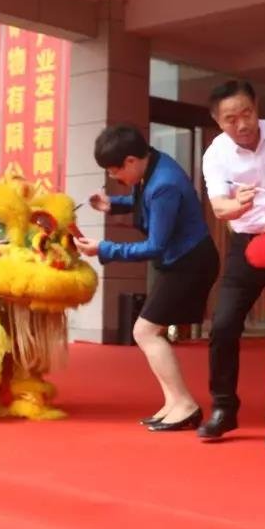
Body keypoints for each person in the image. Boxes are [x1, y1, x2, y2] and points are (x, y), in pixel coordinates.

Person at [74, 124, 219, 431]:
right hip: (181, 260)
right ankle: (173, 402)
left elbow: (155, 245)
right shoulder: (152, 163)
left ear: (130, 161)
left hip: (190, 263)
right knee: (148, 331)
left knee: (145, 331)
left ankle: (185, 404)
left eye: (114, 171)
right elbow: (145, 199)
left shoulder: (163, 183)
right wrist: (113, 204)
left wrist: (103, 248)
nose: (114, 178)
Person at [198, 80, 265, 449]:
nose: (242, 124)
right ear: (219, 122)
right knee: (225, 324)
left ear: (256, 106)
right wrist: (238, 206)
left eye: (246, 113)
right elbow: (219, 208)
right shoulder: (216, 154)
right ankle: (223, 409)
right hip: (246, 243)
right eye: (231, 119)